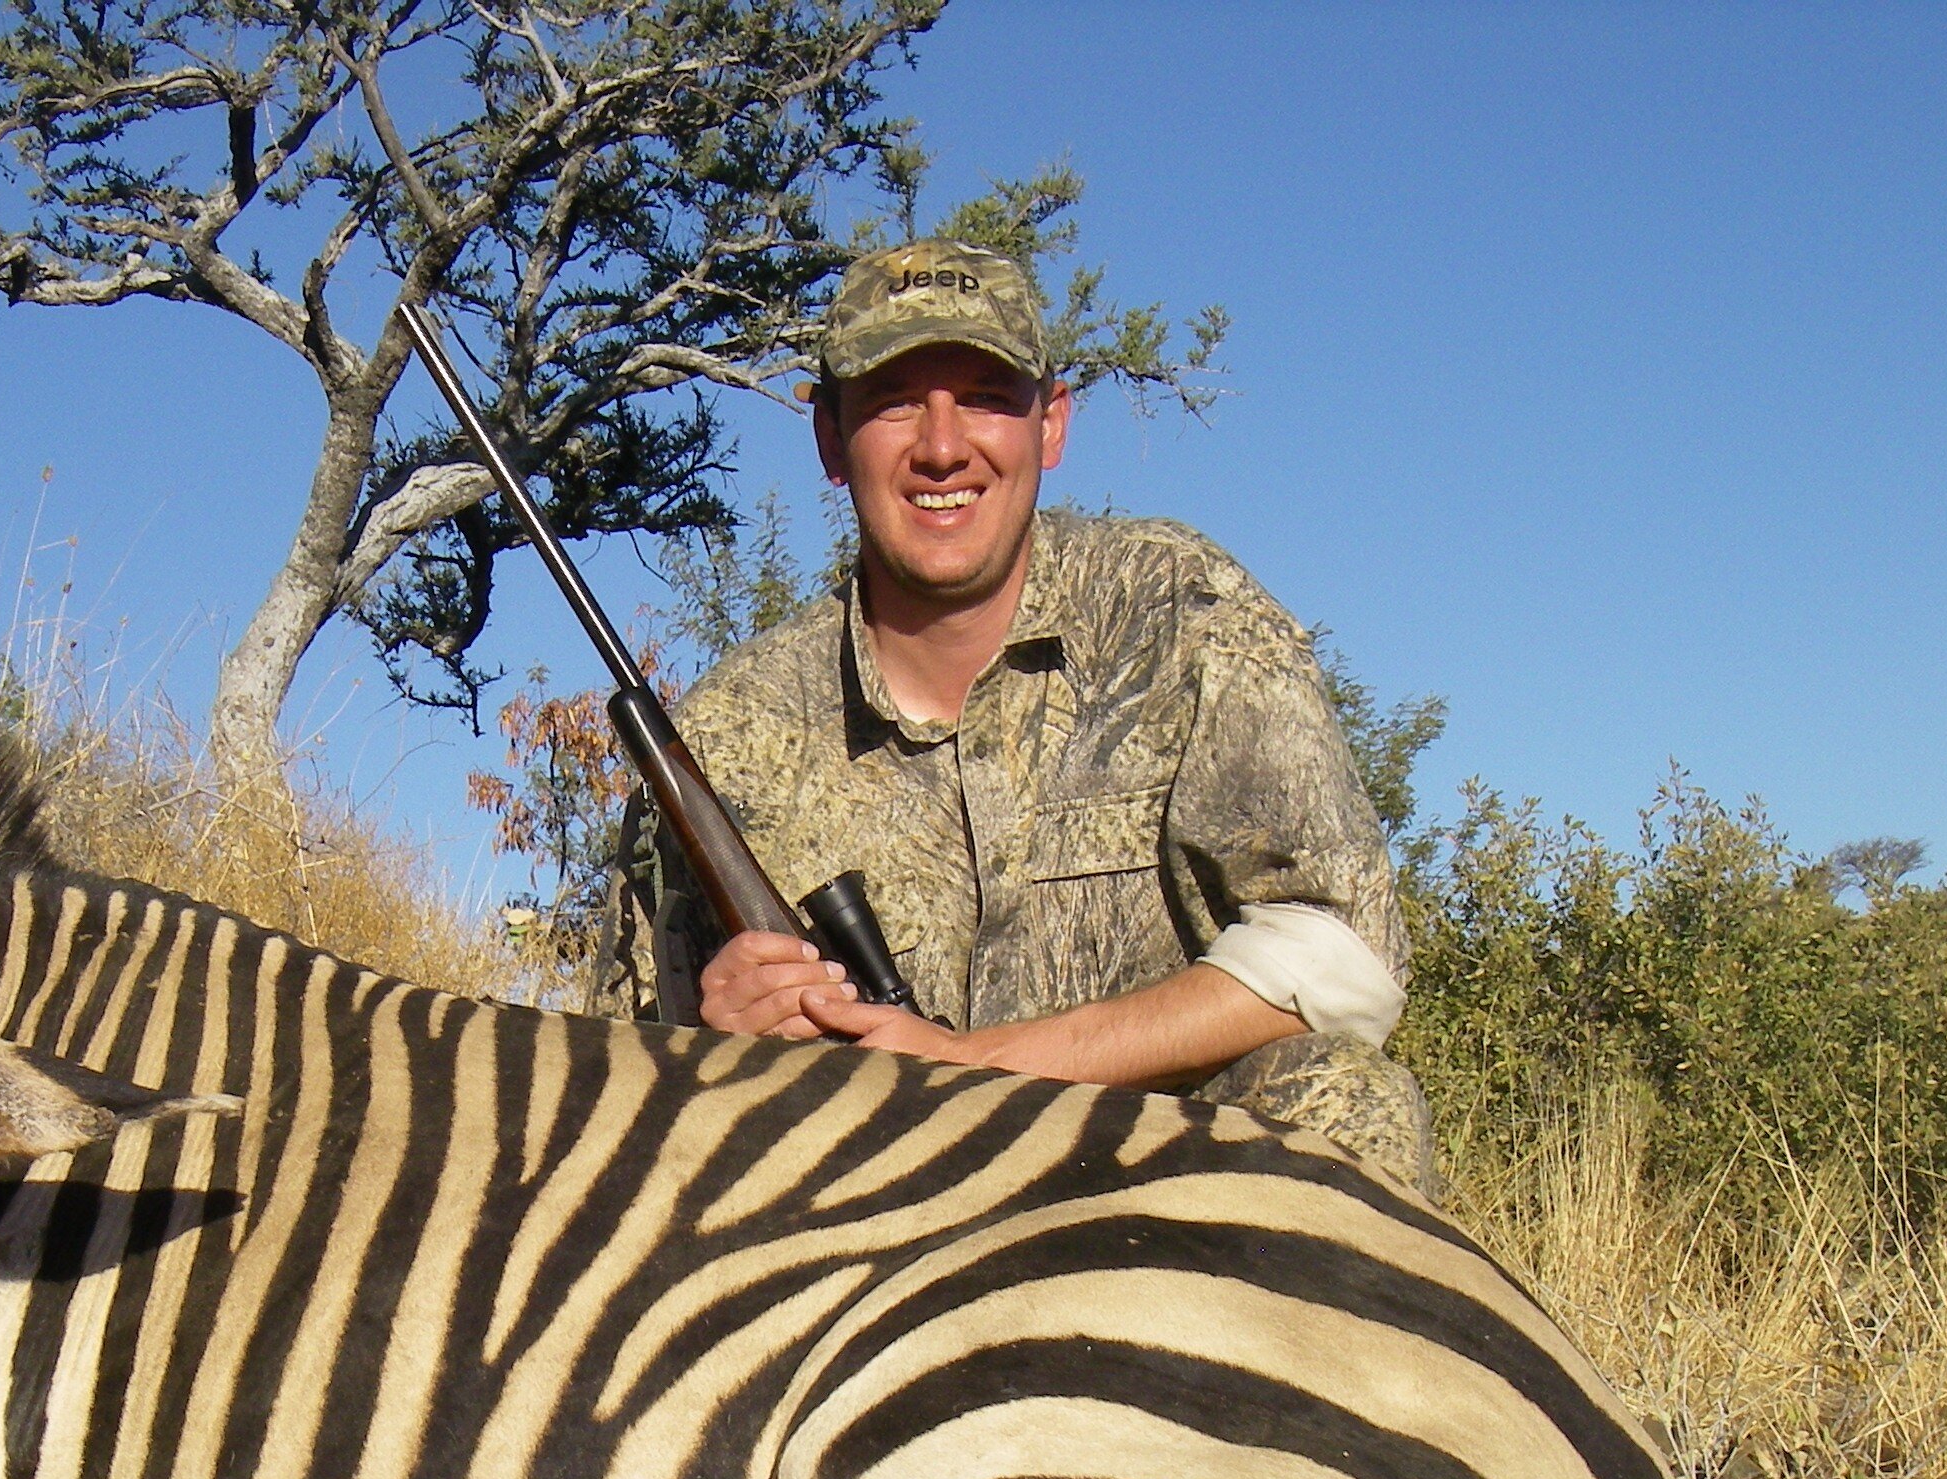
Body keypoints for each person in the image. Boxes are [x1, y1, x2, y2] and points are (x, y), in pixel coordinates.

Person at [596, 237, 1438, 1193]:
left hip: (1149, 1193)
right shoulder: (723, 736)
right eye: (895, 399)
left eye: (988, 397)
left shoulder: (1180, 609)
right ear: (830, 438)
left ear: (1052, 425)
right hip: (856, 1221)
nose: (943, 445)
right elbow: (615, 1078)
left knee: (1342, 1099)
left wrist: (978, 1068)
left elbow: (1343, 959)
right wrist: (716, 1039)